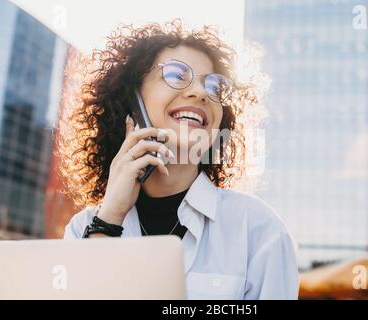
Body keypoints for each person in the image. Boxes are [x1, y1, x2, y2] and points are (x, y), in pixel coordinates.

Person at [60, 20, 299, 300]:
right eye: (175, 74)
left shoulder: (258, 230)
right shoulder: (84, 228)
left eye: (214, 87)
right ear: (133, 102)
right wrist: (109, 221)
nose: (200, 92)